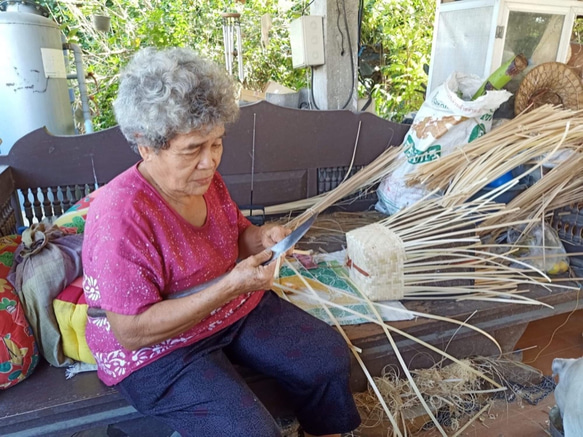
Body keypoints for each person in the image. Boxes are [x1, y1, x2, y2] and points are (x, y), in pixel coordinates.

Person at [82, 47, 361, 437]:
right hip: (157, 349)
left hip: (225, 310)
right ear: (147, 145)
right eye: (193, 149)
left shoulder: (205, 180)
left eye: (216, 143)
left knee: (325, 358)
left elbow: (236, 236)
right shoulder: (121, 214)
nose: (210, 161)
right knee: (248, 431)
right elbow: (133, 331)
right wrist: (229, 285)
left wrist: (263, 237)